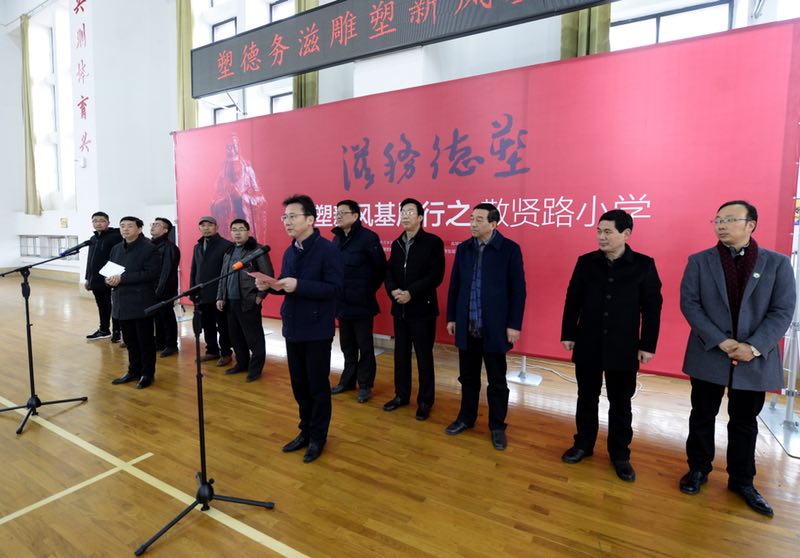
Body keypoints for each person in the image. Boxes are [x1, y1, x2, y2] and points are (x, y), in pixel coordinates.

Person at [678, 200, 795, 517]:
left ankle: (742, 481)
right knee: (702, 415)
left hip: (754, 358)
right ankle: (698, 469)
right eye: (718, 219)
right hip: (710, 353)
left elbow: (782, 310)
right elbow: (690, 304)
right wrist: (722, 341)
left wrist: (753, 346)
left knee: (744, 422)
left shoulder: (777, 264)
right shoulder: (700, 261)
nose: (721, 225)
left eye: (730, 219)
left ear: (750, 225)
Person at [560, 209, 662, 482]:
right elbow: (573, 299)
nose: (601, 237)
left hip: (623, 346)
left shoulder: (643, 265)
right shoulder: (586, 262)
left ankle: (620, 454)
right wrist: (568, 333)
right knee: (586, 397)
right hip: (588, 341)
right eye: (598, 231)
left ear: (626, 234)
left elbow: (652, 308)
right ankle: (583, 444)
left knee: (621, 403)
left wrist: (647, 345)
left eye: (607, 232)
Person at [259, 194, 343, 464]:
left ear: (310, 219)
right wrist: (271, 285)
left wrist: (299, 285)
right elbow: (287, 285)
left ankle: (318, 437)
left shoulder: (327, 250)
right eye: (285, 217)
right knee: (299, 385)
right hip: (293, 326)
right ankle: (305, 430)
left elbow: (334, 289)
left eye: (293, 216)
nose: (287, 221)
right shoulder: (290, 251)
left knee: (317, 386)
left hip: (317, 329)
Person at [444, 203, 526, 450]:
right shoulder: (464, 249)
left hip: (495, 327)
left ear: (493, 223)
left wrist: (513, 324)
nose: (472, 223)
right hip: (467, 324)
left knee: (497, 381)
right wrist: (452, 317)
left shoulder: (509, 249)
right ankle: (466, 418)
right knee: (468, 378)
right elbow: (455, 285)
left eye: (479, 220)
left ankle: (497, 426)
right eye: (471, 218)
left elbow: (518, 290)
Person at [383, 198, 445, 421]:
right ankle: (401, 395)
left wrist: (411, 292)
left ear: (420, 217)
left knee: (423, 357)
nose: (405, 215)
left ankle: (425, 401)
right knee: (400, 355)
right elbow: (389, 272)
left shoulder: (433, 242)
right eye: (402, 212)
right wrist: (394, 291)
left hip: (422, 310)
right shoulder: (397, 243)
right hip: (399, 309)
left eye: (410, 212)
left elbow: (435, 276)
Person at [330, 199, 386, 404]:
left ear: (355, 216)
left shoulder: (368, 238)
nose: (338, 216)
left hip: (362, 303)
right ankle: (347, 381)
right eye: (337, 213)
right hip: (342, 303)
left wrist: (366, 290)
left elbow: (380, 268)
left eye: (343, 213)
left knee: (365, 346)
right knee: (347, 345)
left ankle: (365, 385)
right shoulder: (336, 239)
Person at [216, 219, 273, 383]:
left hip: (248, 300)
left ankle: (255, 369)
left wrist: (260, 296)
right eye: (234, 229)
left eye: (241, 229)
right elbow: (223, 276)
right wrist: (220, 296)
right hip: (230, 301)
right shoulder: (229, 251)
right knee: (236, 337)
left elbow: (267, 275)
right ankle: (241, 364)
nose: (237, 232)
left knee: (254, 338)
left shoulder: (257, 250)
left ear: (248, 232)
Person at [107, 217, 161, 389]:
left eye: (130, 226)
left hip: (141, 301)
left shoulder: (149, 248)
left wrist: (122, 279)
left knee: (145, 341)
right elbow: (111, 270)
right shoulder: (116, 248)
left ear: (139, 229)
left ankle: (147, 373)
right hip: (121, 300)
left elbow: (151, 273)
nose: (125, 229)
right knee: (130, 340)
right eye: (122, 226)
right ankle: (133, 371)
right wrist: (109, 279)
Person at [190, 216, 234, 367]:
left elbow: (228, 272)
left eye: (209, 225)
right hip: (201, 293)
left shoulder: (226, 245)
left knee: (222, 325)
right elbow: (194, 269)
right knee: (207, 324)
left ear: (216, 227)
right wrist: (192, 289)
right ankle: (212, 350)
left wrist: (224, 294)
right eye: (203, 225)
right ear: (199, 228)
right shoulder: (197, 246)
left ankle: (226, 353)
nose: (206, 228)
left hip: (218, 293)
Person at [84, 211, 122, 341]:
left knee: (115, 305)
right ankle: (104, 330)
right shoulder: (93, 239)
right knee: (102, 305)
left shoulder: (115, 237)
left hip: (111, 278)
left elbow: (118, 258)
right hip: (96, 279)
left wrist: (115, 275)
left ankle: (117, 331)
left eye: (102, 221)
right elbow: (90, 260)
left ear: (108, 222)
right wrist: (88, 278)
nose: (98, 223)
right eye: (95, 221)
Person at [150, 217, 181, 357]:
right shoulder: (151, 245)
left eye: (157, 225)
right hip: (153, 288)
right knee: (157, 316)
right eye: (153, 224)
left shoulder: (169, 247)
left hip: (165, 289)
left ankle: (171, 345)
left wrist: (159, 289)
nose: (153, 227)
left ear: (165, 230)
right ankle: (159, 342)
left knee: (167, 316)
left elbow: (167, 271)